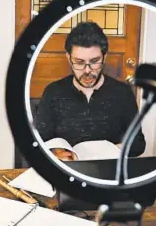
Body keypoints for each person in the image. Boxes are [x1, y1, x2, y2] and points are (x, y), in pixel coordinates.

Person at [34, 21, 146, 160]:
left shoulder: (122, 93)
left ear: (104, 57)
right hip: (67, 172)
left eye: (94, 61)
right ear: (69, 58)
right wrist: (56, 153)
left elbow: (138, 143)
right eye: (79, 62)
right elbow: (38, 141)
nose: (87, 71)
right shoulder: (53, 92)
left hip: (108, 170)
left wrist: (107, 151)